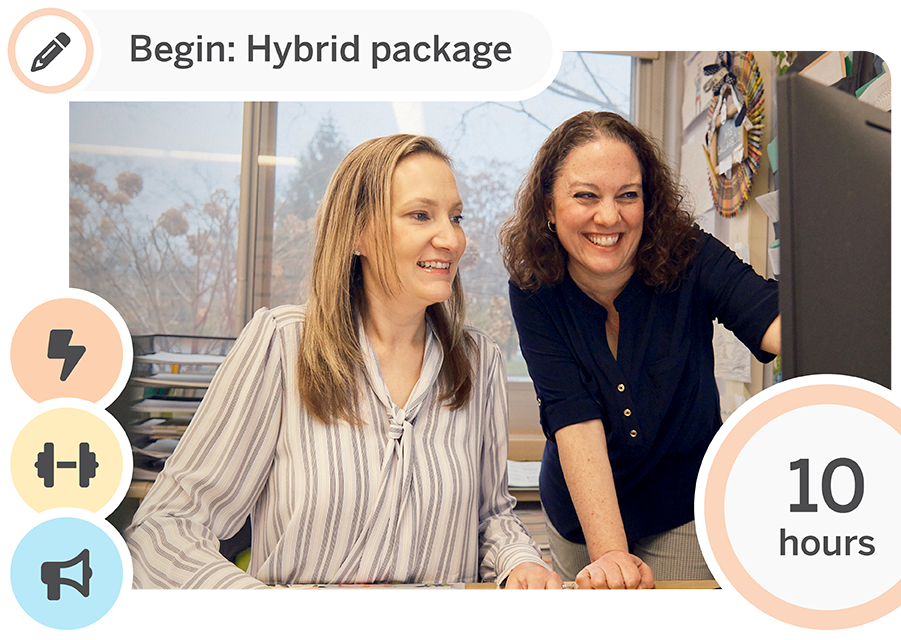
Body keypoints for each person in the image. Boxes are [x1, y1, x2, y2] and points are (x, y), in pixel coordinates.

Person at [127, 134, 562, 597]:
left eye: (455, 217)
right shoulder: (282, 344)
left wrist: (520, 560)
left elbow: (489, 517)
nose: (451, 238)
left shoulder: (480, 361)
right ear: (358, 232)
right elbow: (163, 529)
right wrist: (257, 605)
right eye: (421, 215)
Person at [499, 111, 780, 597]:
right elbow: (573, 418)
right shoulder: (534, 286)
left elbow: (775, 321)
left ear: (648, 203)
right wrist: (609, 555)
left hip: (682, 507)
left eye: (628, 195)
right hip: (579, 510)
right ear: (549, 205)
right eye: (586, 195)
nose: (609, 217)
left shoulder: (690, 255)